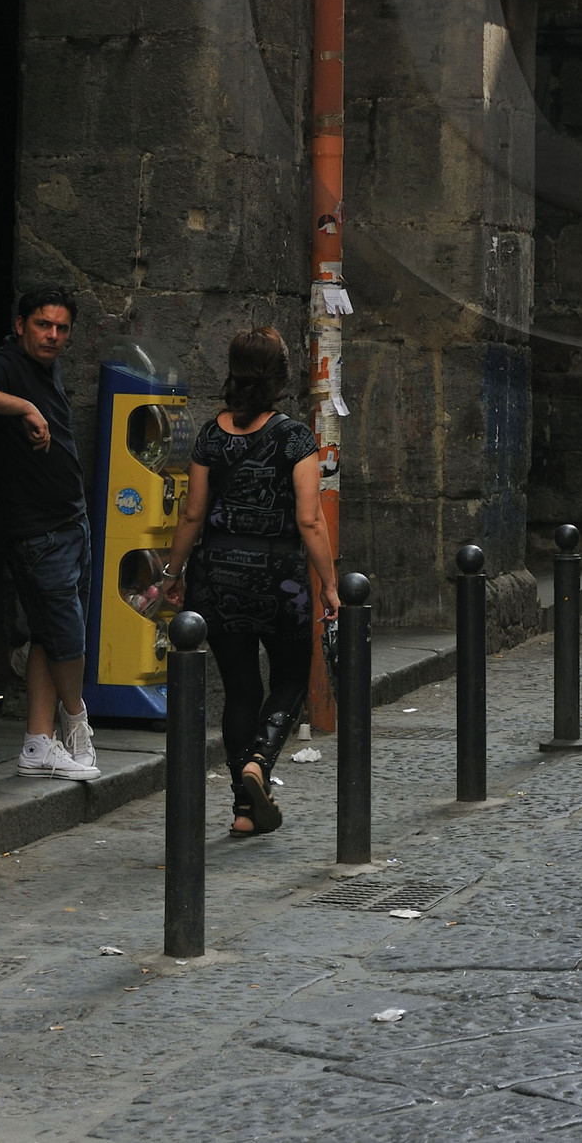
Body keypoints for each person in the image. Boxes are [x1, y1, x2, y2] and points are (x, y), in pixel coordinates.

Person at [162, 327, 338, 837]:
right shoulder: (295, 437)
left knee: (240, 688)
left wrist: (174, 574)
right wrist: (328, 585)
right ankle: (259, 761)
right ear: (281, 375)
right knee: (290, 677)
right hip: (277, 578)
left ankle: (244, 809)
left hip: (216, 576)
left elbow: (192, 515)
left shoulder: (210, 435)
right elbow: (310, 521)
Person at [0, 287, 100, 781]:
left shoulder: (45, 366)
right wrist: (23, 407)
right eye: (42, 325)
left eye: (60, 328)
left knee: (47, 632)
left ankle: (37, 743)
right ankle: (76, 723)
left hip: (70, 521)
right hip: (38, 532)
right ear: (20, 325)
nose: (52, 335)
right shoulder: (8, 363)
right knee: (66, 636)